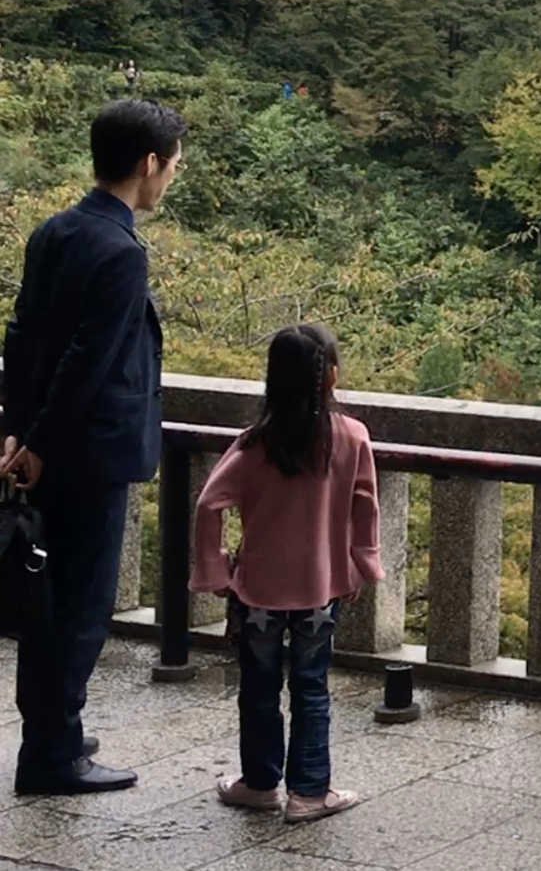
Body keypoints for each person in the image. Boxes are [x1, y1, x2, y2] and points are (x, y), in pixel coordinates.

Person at [1, 99, 185, 795]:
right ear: (148, 164)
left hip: (42, 448)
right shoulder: (120, 252)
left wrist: (15, 429)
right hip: (90, 454)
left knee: (49, 603)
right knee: (79, 609)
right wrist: (41, 440)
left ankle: (56, 732)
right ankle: (52, 757)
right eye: (172, 165)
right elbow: (90, 359)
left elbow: (21, 337)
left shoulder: (56, 231)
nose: (172, 177)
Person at [192, 325, 381, 824]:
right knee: (311, 686)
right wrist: (363, 563)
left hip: (257, 589)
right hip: (321, 586)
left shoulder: (255, 443)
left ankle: (258, 783)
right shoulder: (351, 437)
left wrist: (214, 568)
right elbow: (365, 509)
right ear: (332, 376)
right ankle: (308, 793)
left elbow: (210, 502)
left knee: (258, 687)